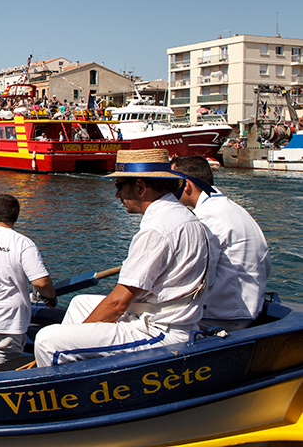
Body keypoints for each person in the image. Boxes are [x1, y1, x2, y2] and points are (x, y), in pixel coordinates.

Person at [33, 149, 218, 367]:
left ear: (140, 187)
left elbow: (118, 303)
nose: (117, 196)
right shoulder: (183, 216)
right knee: (79, 303)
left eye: (119, 187)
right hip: (168, 317)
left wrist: (79, 333)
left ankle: (65, 396)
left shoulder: (157, 229)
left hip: (160, 331)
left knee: (47, 341)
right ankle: (80, 365)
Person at [171, 155, 271, 330]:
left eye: (171, 184)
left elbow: (197, 278)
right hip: (248, 308)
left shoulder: (206, 218)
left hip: (223, 316)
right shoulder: (233, 208)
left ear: (185, 185)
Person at [0, 194, 57, 375]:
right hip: (5, 321)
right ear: (15, 216)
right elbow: (41, 281)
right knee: (3, 373)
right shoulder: (23, 244)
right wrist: (51, 296)